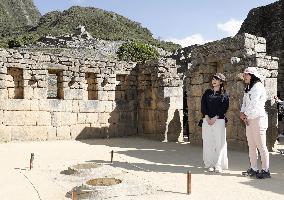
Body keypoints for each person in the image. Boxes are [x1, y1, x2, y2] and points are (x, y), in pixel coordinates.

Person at [240, 67, 271, 179]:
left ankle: (266, 170)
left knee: (261, 146)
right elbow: (244, 102)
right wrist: (242, 112)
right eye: (244, 75)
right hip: (249, 119)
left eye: (246, 75)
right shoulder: (248, 87)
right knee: (251, 145)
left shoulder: (258, 87)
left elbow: (254, 104)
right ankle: (254, 168)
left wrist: (245, 114)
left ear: (252, 75)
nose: (244, 77)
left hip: (258, 119)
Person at [201, 73, 229, 173]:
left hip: (219, 120)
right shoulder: (207, 92)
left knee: (219, 143)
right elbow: (203, 105)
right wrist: (207, 117)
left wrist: (215, 117)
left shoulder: (224, 94)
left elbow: (224, 107)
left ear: (221, 82)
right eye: (213, 79)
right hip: (207, 120)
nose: (214, 81)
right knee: (208, 142)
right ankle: (209, 164)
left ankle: (218, 164)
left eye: (216, 79)